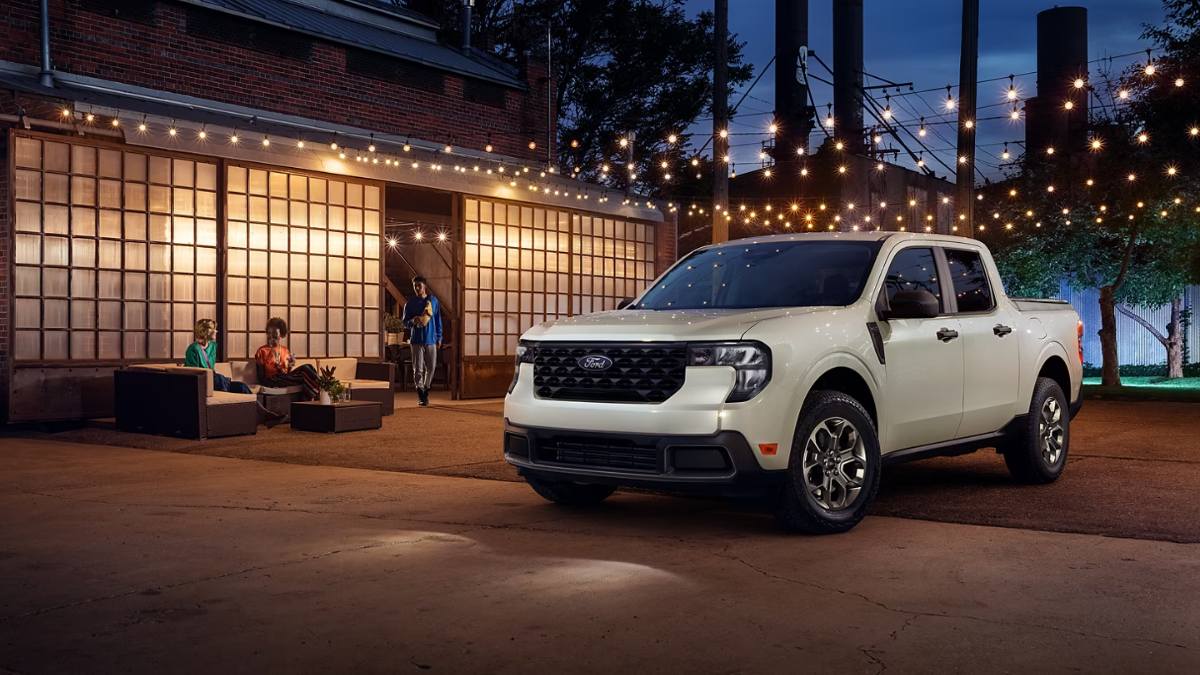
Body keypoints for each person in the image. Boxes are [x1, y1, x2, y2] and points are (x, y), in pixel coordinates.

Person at [253, 317, 319, 401]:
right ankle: (321, 391)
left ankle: (318, 390)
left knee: (308, 366)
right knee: (303, 376)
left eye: (274, 333)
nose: (271, 336)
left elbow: (287, 373)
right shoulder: (261, 351)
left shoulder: (285, 350)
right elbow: (261, 378)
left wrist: (291, 365)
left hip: (284, 377)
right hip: (271, 380)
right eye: (269, 333)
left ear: (281, 334)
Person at [402, 276, 442, 407]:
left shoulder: (433, 301)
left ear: (425, 286)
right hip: (416, 340)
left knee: (431, 367)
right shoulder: (410, 303)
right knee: (417, 369)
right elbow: (404, 322)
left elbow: (437, 320)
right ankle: (421, 394)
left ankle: (426, 388)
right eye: (415, 286)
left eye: (419, 285)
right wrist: (412, 321)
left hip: (431, 339)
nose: (417, 288)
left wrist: (439, 337)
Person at [184, 319, 253, 394]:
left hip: (214, 379)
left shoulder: (212, 346)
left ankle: (255, 405)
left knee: (242, 387)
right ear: (205, 331)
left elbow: (211, 368)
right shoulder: (193, 349)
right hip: (204, 381)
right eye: (213, 329)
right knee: (219, 379)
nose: (216, 331)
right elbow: (193, 373)